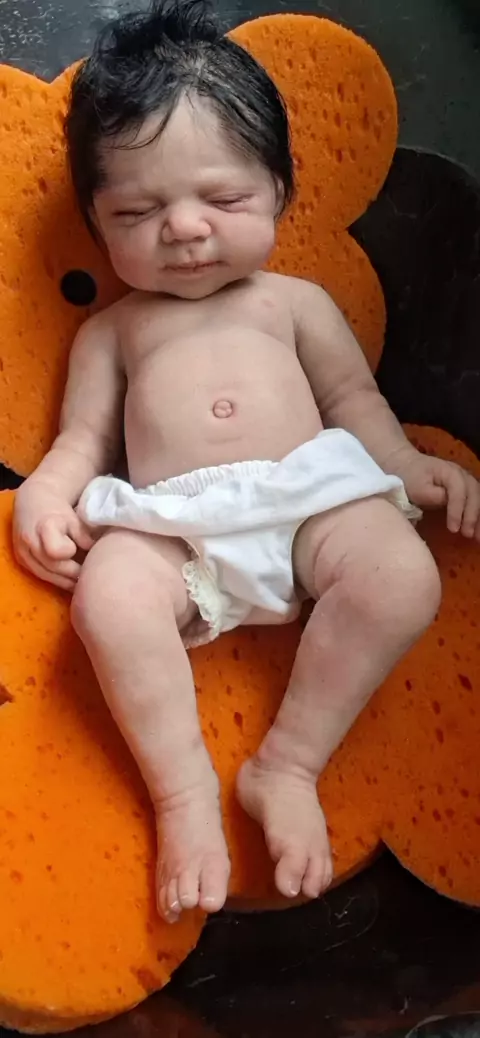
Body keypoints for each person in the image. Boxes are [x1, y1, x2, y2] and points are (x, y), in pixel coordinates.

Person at [13, 0, 480, 925]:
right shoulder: (113, 332)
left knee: (401, 576)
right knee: (110, 598)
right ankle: (183, 794)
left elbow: (355, 404)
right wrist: (45, 497)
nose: (185, 229)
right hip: (176, 530)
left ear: (279, 191)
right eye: (137, 212)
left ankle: (288, 763)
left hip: (309, 506)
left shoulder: (295, 303)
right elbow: (82, 441)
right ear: (96, 224)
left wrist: (404, 463)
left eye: (222, 201)